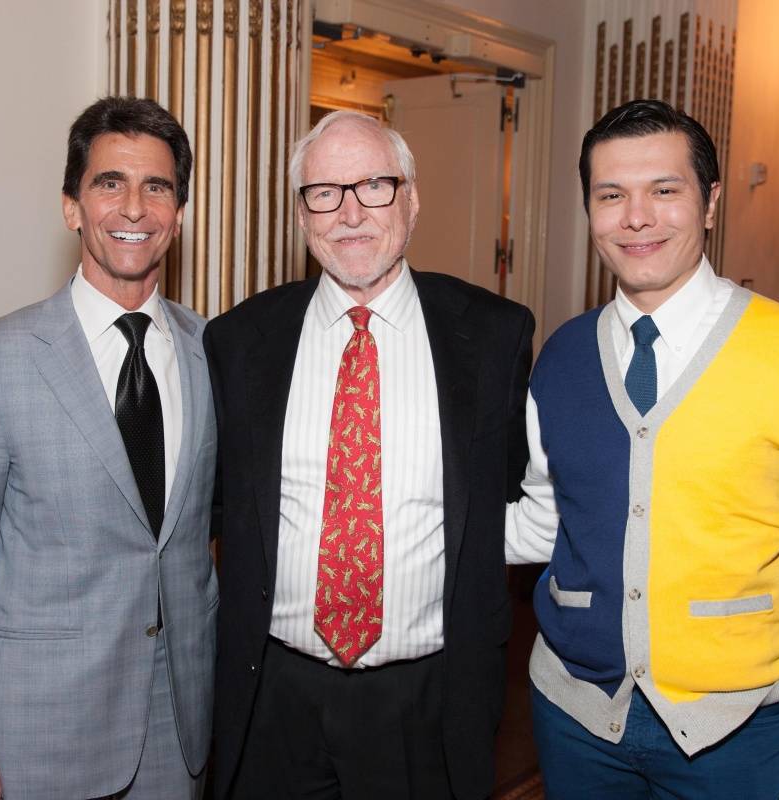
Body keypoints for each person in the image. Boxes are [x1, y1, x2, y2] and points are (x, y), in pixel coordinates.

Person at [506, 99, 779, 799]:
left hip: (736, 732)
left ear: (709, 203)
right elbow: (544, 518)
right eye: (610, 195)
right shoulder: (560, 356)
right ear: (589, 210)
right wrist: (402, 529)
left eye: (664, 190)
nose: (636, 217)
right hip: (573, 714)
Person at [204, 110, 534, 799]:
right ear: (303, 215)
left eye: (375, 187)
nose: (350, 213)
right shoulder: (240, 341)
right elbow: (218, 507)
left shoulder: (493, 337)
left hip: (426, 701)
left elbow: (508, 499)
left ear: (411, 200)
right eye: (325, 192)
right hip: (272, 696)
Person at [0, 96, 216, 800]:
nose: (134, 207)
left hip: (179, 726)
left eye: (157, 187)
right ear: (71, 207)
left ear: (178, 213)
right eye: (110, 183)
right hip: (39, 732)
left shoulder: (215, 353)